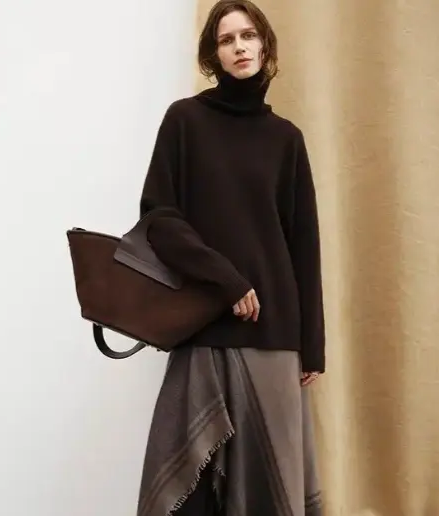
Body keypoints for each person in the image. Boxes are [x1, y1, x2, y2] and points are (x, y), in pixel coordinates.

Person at [135, 1, 325, 514]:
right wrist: (227, 280)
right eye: (226, 39)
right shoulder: (185, 121)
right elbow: (158, 219)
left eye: (248, 35)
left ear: (264, 45)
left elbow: (303, 244)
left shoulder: (286, 139)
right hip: (205, 325)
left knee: (271, 485)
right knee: (190, 491)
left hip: (275, 335)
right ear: (212, 55)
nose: (239, 47)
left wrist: (312, 346)